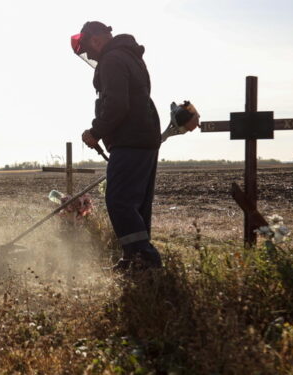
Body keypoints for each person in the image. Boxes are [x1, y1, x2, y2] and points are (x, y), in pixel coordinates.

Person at [76, 21, 163, 271]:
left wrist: (95, 132)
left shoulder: (112, 59)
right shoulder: (130, 56)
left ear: (95, 39)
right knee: (136, 204)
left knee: (119, 201)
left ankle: (145, 258)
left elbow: (116, 105)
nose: (88, 55)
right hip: (144, 138)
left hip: (130, 140)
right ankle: (133, 259)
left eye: (86, 48)